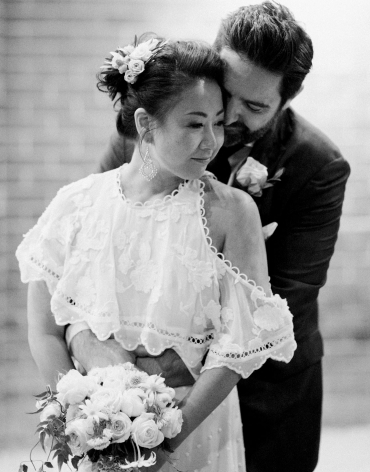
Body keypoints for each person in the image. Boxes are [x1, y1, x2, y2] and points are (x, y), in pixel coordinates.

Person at [70, 3, 350, 472]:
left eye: (255, 107)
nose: (229, 117)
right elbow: (97, 242)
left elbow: (292, 292)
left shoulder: (318, 165)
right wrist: (104, 355)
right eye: (227, 92)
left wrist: (181, 361)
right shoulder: (147, 133)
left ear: (288, 99)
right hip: (140, 380)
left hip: (269, 390)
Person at [16, 36, 297, 472]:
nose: (212, 141)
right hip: (96, 439)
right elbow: (44, 330)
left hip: (194, 431)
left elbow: (240, 347)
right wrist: (83, 426)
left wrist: (159, 445)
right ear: (146, 123)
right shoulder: (76, 204)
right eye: (194, 124)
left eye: (217, 123)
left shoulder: (233, 212)